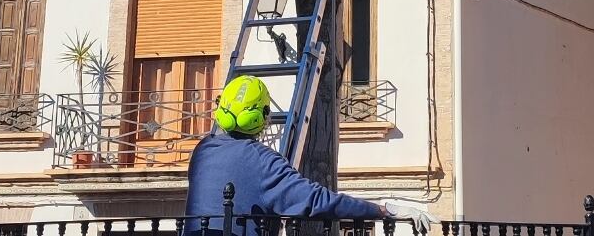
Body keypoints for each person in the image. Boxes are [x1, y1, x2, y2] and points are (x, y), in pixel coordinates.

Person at [186, 76, 434, 232]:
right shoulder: (263, 162)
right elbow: (318, 201)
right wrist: (383, 210)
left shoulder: (202, 152)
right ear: (258, 117)